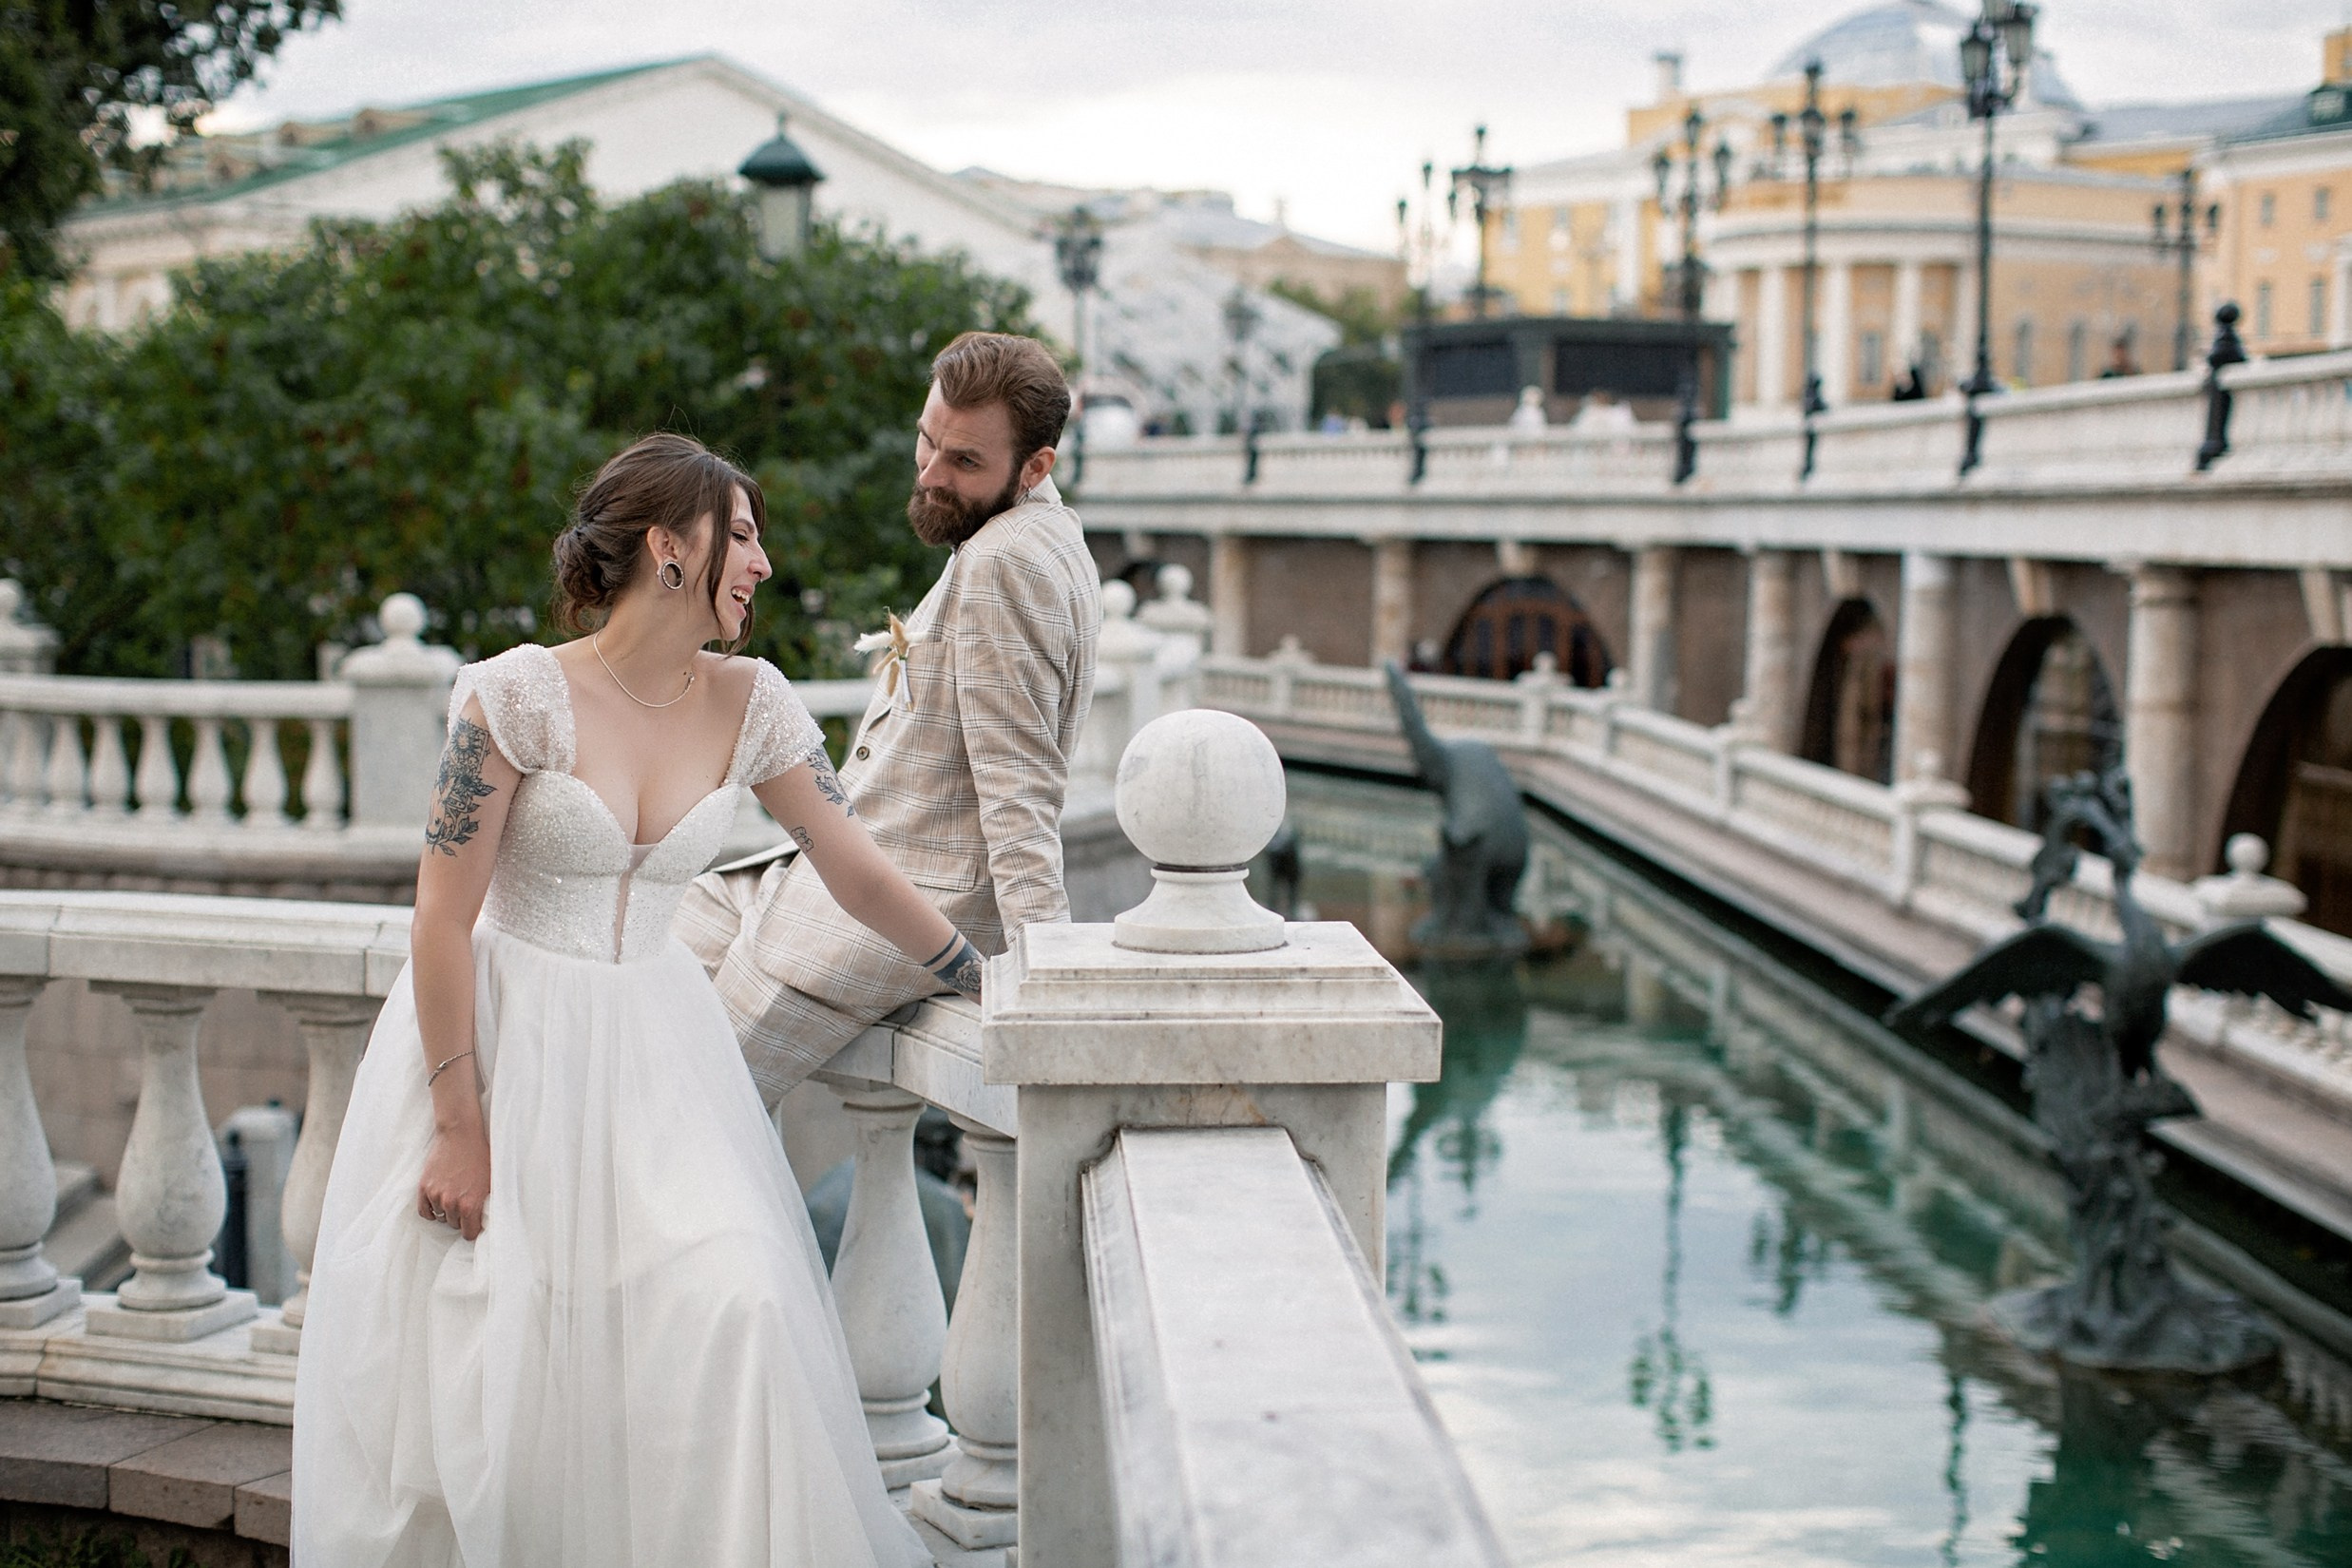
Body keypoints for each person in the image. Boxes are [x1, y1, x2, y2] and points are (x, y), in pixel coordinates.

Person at [290, 432, 954, 1567]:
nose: (765, 563)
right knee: (507, 1361)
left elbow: (854, 864)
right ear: (670, 548)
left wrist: (976, 970)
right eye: (742, 535)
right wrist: (460, 1129)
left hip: (660, 1055)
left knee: (741, 1302)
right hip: (504, 1049)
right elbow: (442, 918)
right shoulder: (514, 697)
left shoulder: (754, 702)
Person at [677, 332, 1100, 1105]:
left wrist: (1049, 970)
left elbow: (1020, 791)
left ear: (1036, 465)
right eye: (926, 441)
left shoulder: (1007, 562)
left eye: (964, 462)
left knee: (685, 1111)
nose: (931, 475)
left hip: (883, 919)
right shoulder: (1034, 533)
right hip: (817, 869)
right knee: (626, 949)